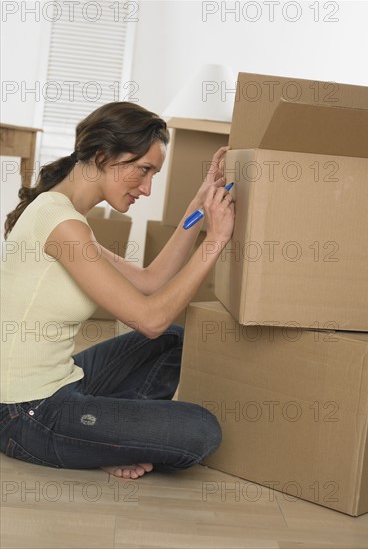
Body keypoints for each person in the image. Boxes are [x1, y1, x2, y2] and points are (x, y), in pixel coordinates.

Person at [0, 101, 235, 480]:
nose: (147, 188)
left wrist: (198, 206)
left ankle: (97, 436)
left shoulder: (67, 217)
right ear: (103, 155)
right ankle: (96, 440)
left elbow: (149, 281)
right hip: (25, 411)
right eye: (143, 170)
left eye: (154, 174)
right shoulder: (61, 224)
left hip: (61, 382)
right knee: (202, 429)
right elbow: (150, 318)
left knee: (172, 342)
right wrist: (216, 240)